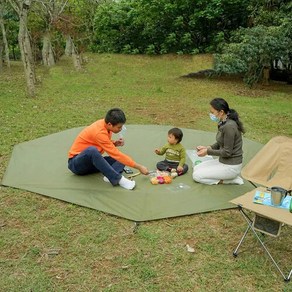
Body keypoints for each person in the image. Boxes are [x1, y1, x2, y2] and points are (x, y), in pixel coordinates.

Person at [68, 108, 149, 190]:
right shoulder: (99, 132)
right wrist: (139, 167)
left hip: (92, 163)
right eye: (119, 127)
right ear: (110, 124)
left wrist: (113, 143)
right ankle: (118, 179)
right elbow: (113, 152)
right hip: (76, 164)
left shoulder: (106, 125)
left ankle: (109, 176)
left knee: (121, 160)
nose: (120, 129)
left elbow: (101, 142)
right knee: (92, 150)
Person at [192, 98, 245, 185]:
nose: (211, 114)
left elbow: (227, 152)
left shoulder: (229, 127)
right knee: (196, 168)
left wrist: (207, 152)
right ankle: (227, 177)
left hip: (231, 166)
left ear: (221, 112)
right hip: (223, 161)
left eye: (212, 112)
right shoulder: (223, 122)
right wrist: (208, 147)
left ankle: (229, 180)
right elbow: (221, 142)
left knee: (197, 176)